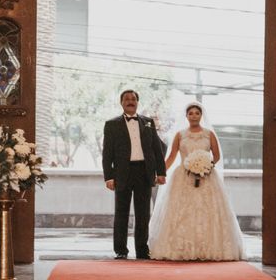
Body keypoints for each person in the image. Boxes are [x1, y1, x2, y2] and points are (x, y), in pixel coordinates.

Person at [149, 102, 244, 261]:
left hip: (207, 177)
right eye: (191, 113)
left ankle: (208, 248)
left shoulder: (209, 134)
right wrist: (160, 172)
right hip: (183, 177)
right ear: (186, 116)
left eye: (196, 113)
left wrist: (207, 166)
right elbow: (172, 156)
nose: (194, 116)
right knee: (181, 213)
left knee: (208, 211)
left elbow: (217, 155)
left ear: (201, 115)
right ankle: (181, 248)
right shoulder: (180, 135)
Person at [102, 90, 167, 260]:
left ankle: (142, 250)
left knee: (143, 214)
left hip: (144, 172)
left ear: (137, 102)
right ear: (121, 102)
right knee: (121, 213)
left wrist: (161, 172)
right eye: (126, 99)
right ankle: (121, 250)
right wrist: (109, 177)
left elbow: (157, 150)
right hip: (122, 172)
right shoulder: (111, 124)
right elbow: (107, 153)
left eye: (133, 99)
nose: (130, 101)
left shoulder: (148, 123)